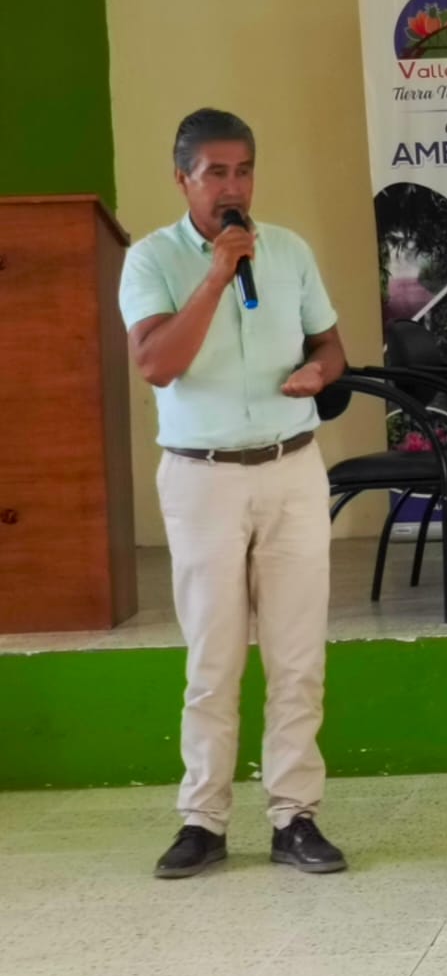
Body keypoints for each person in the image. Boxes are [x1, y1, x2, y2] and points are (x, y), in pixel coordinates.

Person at [119, 109, 350, 877]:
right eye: (215, 172)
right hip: (202, 477)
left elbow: (331, 344)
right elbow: (157, 363)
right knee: (214, 661)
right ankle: (203, 821)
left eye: (243, 170)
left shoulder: (287, 250)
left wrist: (319, 371)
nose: (233, 186)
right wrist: (217, 274)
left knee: (297, 656)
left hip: (291, 468)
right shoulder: (151, 260)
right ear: (181, 178)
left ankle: (295, 817)